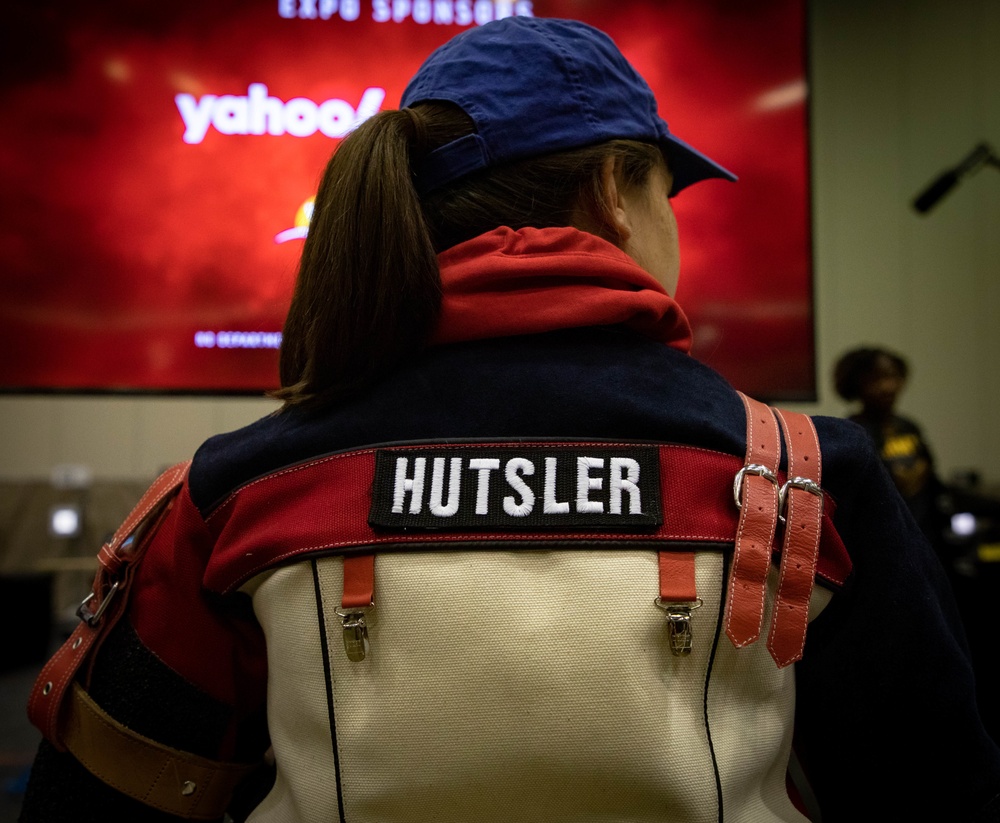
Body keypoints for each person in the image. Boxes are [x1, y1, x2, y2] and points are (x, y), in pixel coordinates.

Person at [20, 17, 1000, 823]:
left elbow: (98, 808)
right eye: (669, 191)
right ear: (617, 194)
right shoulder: (809, 473)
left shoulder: (237, 488)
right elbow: (935, 793)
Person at [833, 346, 945, 540]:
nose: (888, 386)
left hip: (925, 536)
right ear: (856, 383)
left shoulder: (909, 427)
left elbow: (932, 483)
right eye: (876, 378)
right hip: (881, 538)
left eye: (893, 376)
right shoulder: (851, 432)